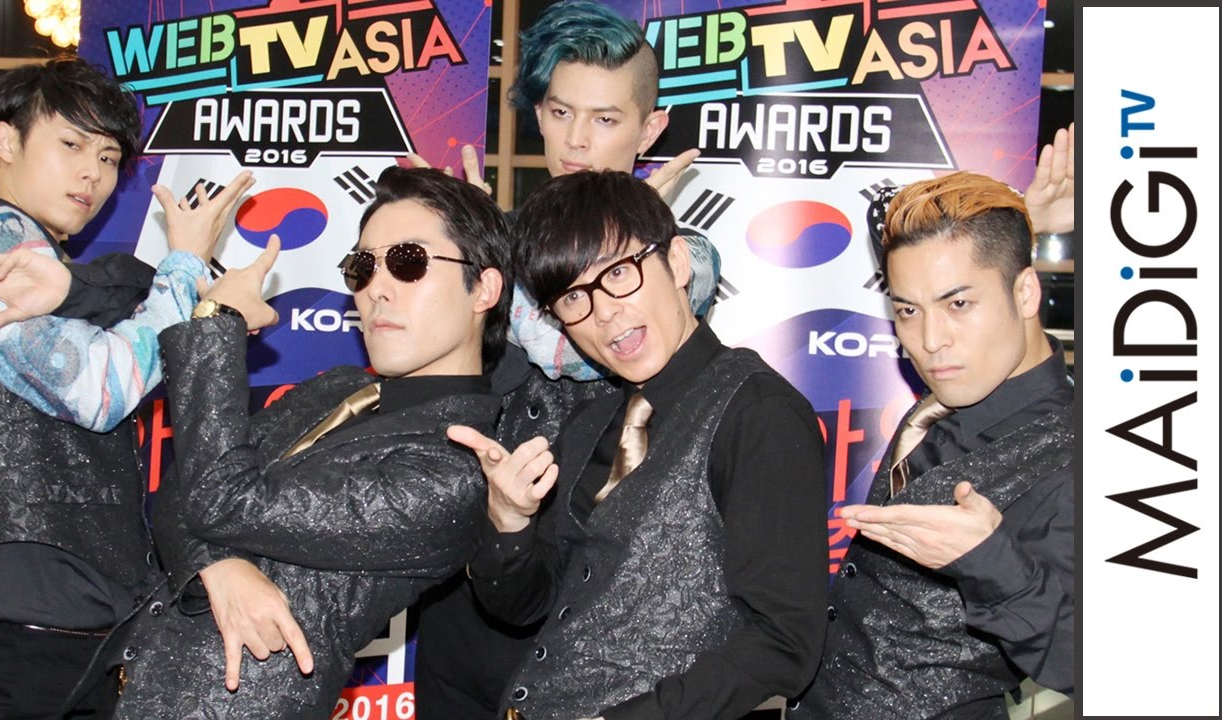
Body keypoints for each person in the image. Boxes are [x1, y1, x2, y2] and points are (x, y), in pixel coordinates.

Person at [95, 166, 513, 718]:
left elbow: (222, 498)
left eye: (408, 262)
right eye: (362, 267)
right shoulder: (339, 388)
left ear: (483, 288)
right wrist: (216, 565)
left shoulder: (452, 470)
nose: (376, 289)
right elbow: (181, 491)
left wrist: (216, 322)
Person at [409, 3, 721, 717]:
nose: (577, 139)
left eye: (605, 119)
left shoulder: (685, 257)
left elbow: (577, 351)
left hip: (596, 604)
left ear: (649, 130)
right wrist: (457, 249)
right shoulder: (491, 237)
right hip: (469, 589)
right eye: (559, 112)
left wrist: (499, 257)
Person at [453, 170, 828, 720]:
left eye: (619, 274)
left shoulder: (758, 412)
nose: (604, 312)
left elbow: (784, 640)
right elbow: (527, 608)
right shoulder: (594, 414)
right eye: (573, 297)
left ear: (677, 262)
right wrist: (508, 523)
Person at [0, 57, 252, 718]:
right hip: (28, 631)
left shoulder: (52, 264)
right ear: (6, 140)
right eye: (72, 144)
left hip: (74, 626)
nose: (93, 173)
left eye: (109, 158)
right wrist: (182, 268)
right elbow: (99, 389)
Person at [790, 171, 1073, 718]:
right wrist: (1023, 219)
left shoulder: (1080, 457)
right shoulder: (958, 388)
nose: (929, 340)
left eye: (958, 304)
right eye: (907, 311)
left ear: (1026, 292)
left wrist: (992, 561)